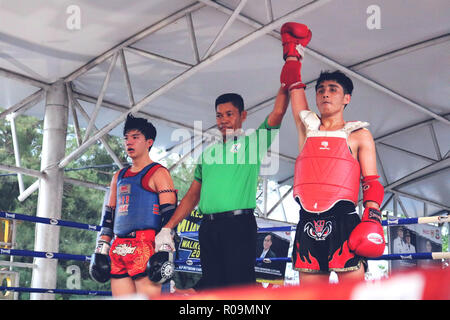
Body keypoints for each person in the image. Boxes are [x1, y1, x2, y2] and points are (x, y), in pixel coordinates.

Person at [279, 22, 386, 283]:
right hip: (306, 220)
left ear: (346, 98)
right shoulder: (308, 127)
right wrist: (291, 51)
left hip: (344, 223)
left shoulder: (359, 134)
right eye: (321, 90)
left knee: (352, 296)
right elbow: (294, 86)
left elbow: (371, 182)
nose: (325, 94)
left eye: (333, 89)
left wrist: (372, 219)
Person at [156, 87, 291, 291]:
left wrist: (287, 81)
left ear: (243, 116)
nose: (223, 120)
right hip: (209, 227)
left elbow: (278, 113)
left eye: (229, 114)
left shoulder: (253, 143)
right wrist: (168, 227)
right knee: (212, 285)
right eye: (219, 115)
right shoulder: (208, 154)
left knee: (239, 286)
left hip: (239, 225)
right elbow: (193, 195)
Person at [89, 114, 177, 297]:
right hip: (119, 245)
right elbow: (109, 216)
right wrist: (102, 247)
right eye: (126, 138)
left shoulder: (159, 173)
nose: (129, 142)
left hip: (146, 244)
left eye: (135, 137)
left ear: (149, 142)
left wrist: (164, 251)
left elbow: (170, 216)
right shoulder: (118, 177)